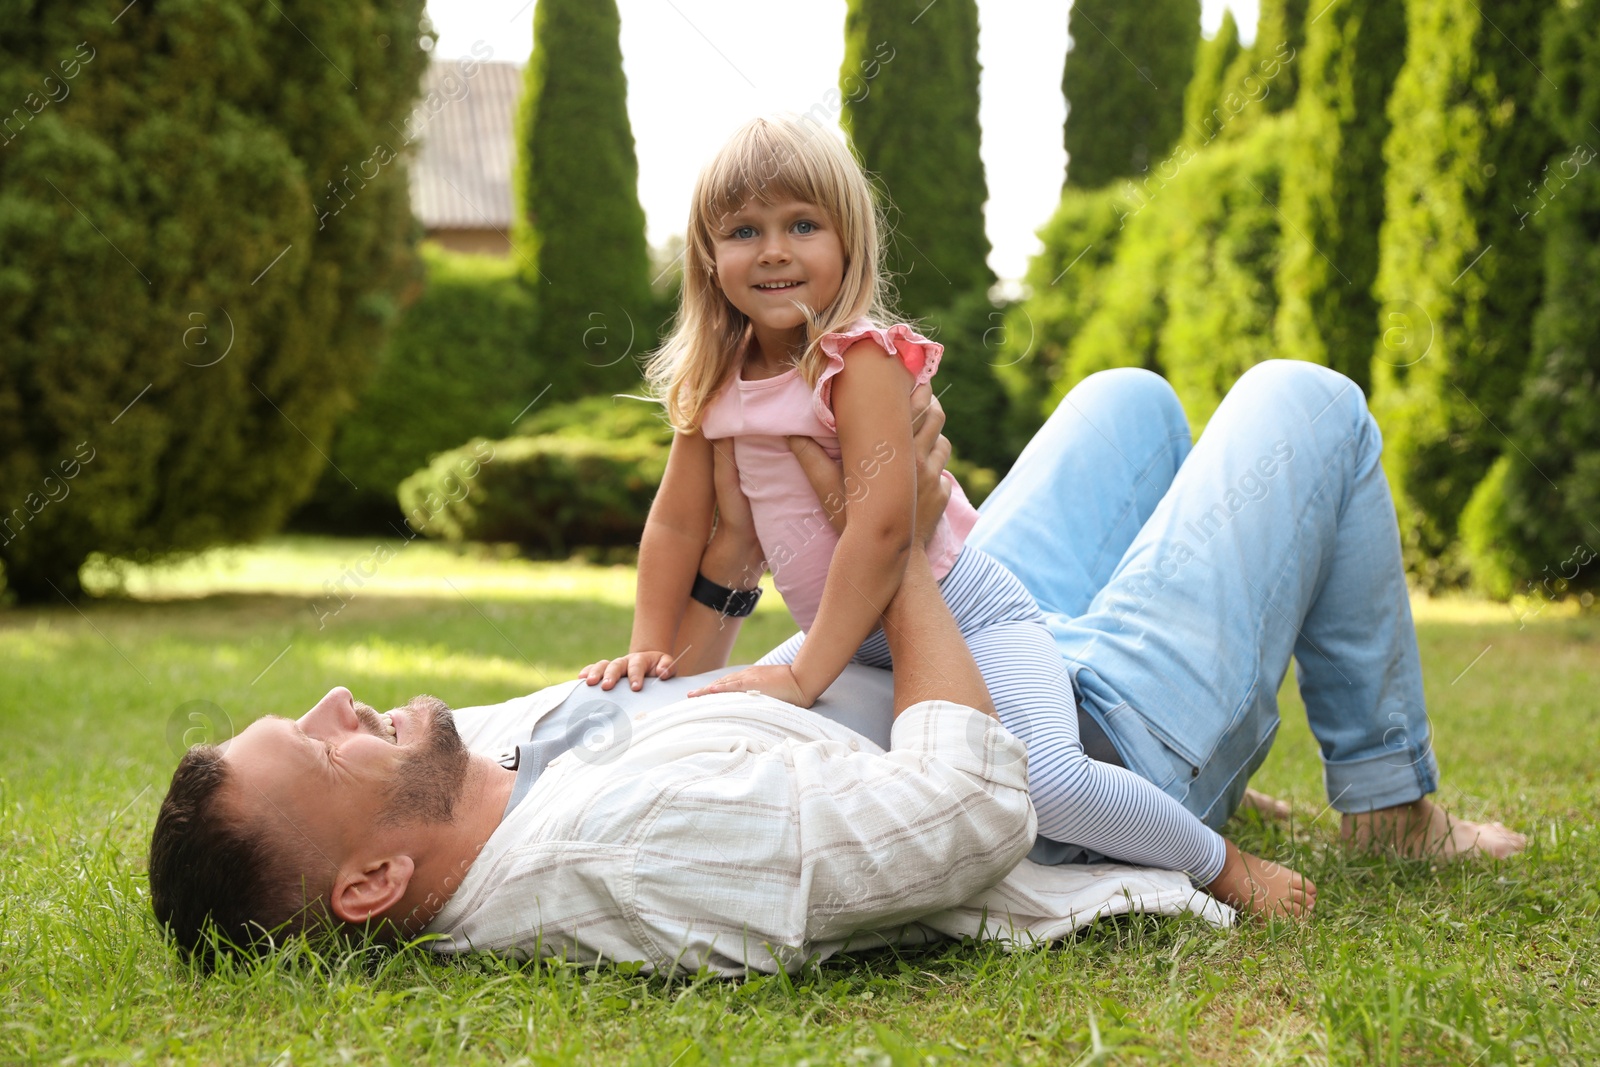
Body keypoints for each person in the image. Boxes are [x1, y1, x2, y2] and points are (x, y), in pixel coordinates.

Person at [580, 114, 1302, 916]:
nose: (775, 249)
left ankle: (1220, 861)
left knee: (1050, 782)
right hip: (851, 634)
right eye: (745, 229)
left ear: (848, 243)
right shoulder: (715, 383)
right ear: (708, 259)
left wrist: (806, 671)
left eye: (802, 224)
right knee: (725, 719)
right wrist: (648, 647)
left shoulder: (857, 362)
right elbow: (677, 527)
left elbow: (886, 531)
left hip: (968, 611)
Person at [144, 448, 1236, 973]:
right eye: (319, 745)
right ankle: (1387, 788)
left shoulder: (448, 771)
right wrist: (885, 538)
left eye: (305, 710)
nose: (337, 699)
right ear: (372, 881)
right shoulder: (628, 856)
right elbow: (968, 808)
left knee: (1126, 403)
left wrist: (733, 564)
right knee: (1306, 400)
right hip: (1088, 744)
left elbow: (680, 684)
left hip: (933, 622)